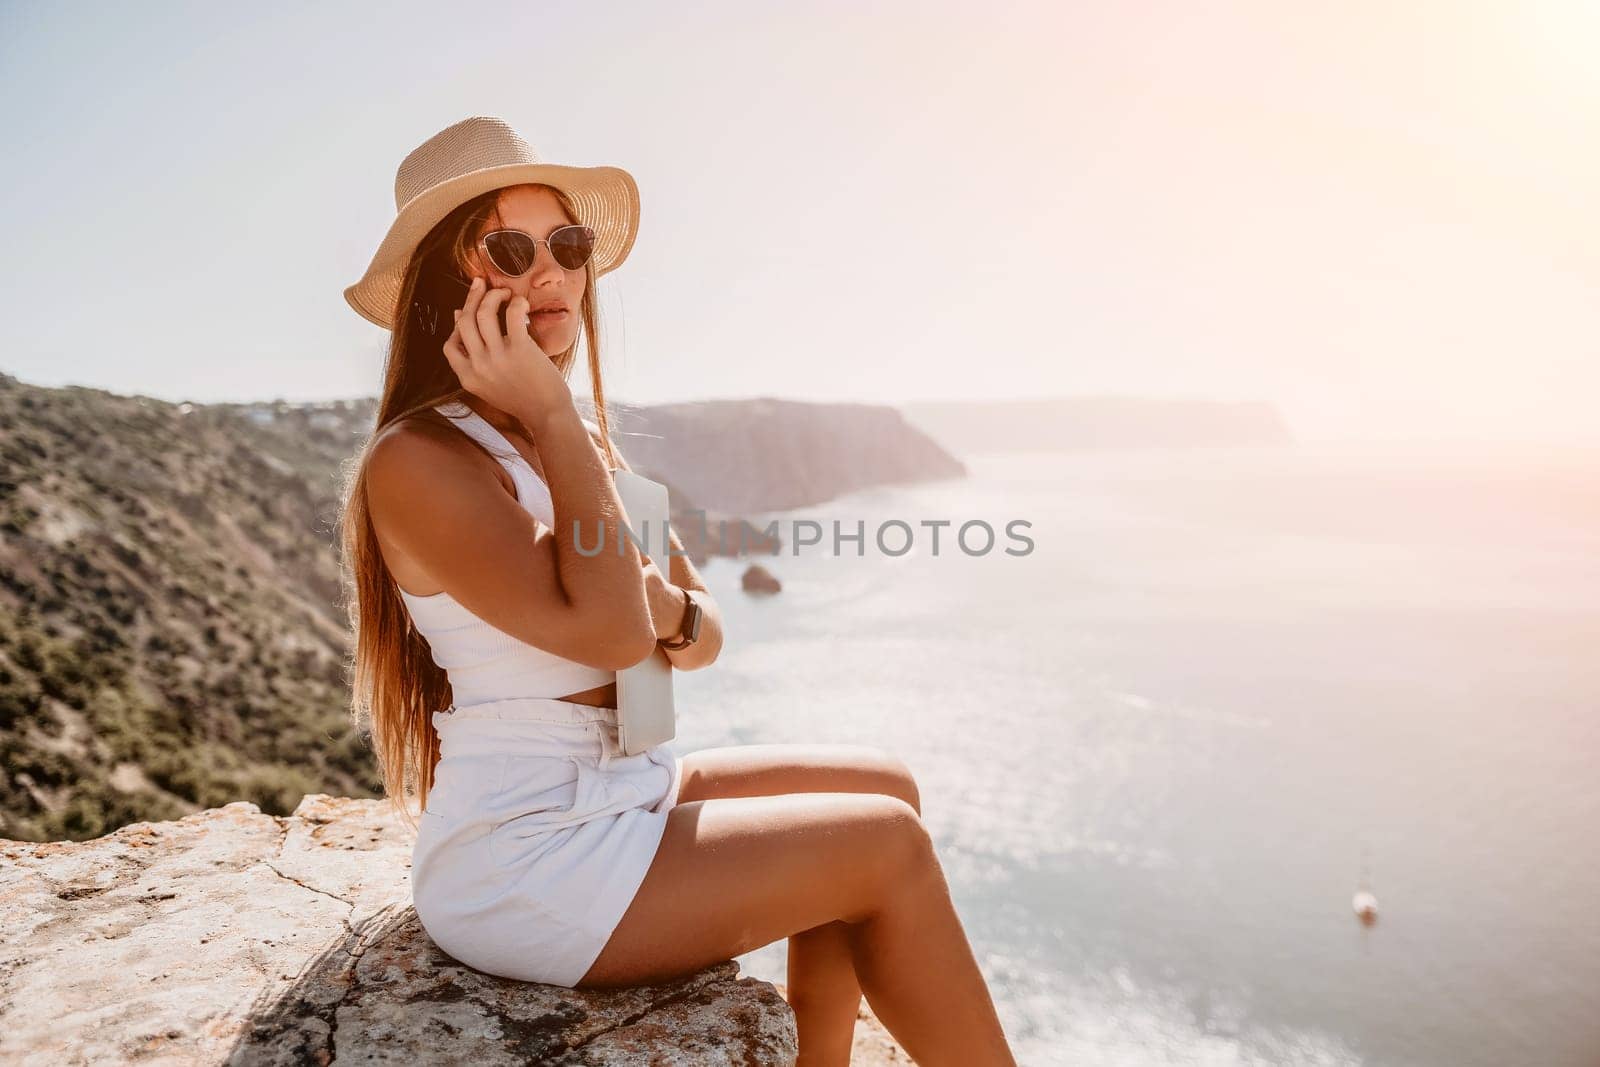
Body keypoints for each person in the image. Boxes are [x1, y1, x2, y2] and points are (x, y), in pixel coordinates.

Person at [337, 115, 1015, 1066]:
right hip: (526, 849)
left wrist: (644, 586)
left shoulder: (579, 451)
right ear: (449, 285)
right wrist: (555, 417)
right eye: (511, 247)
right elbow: (624, 637)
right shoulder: (419, 461)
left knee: (885, 785)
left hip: (625, 784)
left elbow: (700, 637)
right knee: (884, 844)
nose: (554, 272)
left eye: (568, 245)